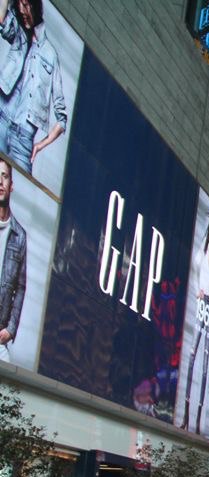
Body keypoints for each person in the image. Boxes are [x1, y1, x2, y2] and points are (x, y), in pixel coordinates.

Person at [0, 0, 68, 175]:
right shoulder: (18, 34)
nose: (22, 10)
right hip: (1, 119)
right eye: (19, 5)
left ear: (35, 6)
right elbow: (2, 21)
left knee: (20, 185)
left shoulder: (51, 55)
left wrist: (40, 145)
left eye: (26, 4)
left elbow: (62, 119)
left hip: (23, 139)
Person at [179, 205, 209, 433]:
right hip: (201, 302)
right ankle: (186, 416)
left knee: (205, 362)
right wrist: (199, 288)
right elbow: (196, 266)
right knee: (192, 355)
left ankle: (197, 422)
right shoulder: (204, 245)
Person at [0, 159, 26, 364]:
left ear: (11, 185)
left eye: (5, 176)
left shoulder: (19, 235)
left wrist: (11, 328)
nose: (0, 182)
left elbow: (21, 287)